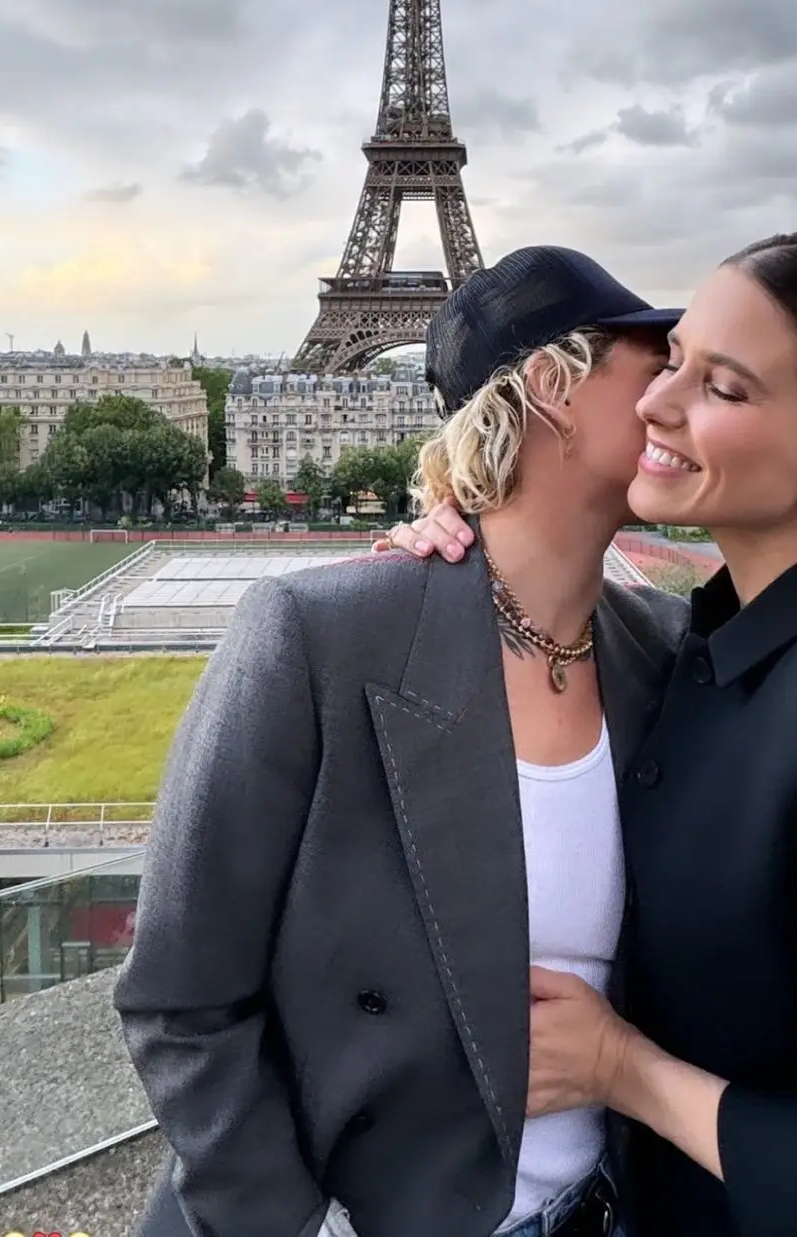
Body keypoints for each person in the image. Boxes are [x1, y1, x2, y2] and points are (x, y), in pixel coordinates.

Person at [385, 232, 797, 1237]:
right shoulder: (696, 638)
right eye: (673, 358)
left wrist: (620, 1068)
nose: (656, 400)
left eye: (723, 389)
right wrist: (438, 568)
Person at [113, 246, 689, 1237]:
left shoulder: (667, 653)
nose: (679, 394)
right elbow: (180, 993)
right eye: (656, 362)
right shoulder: (316, 633)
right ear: (551, 384)